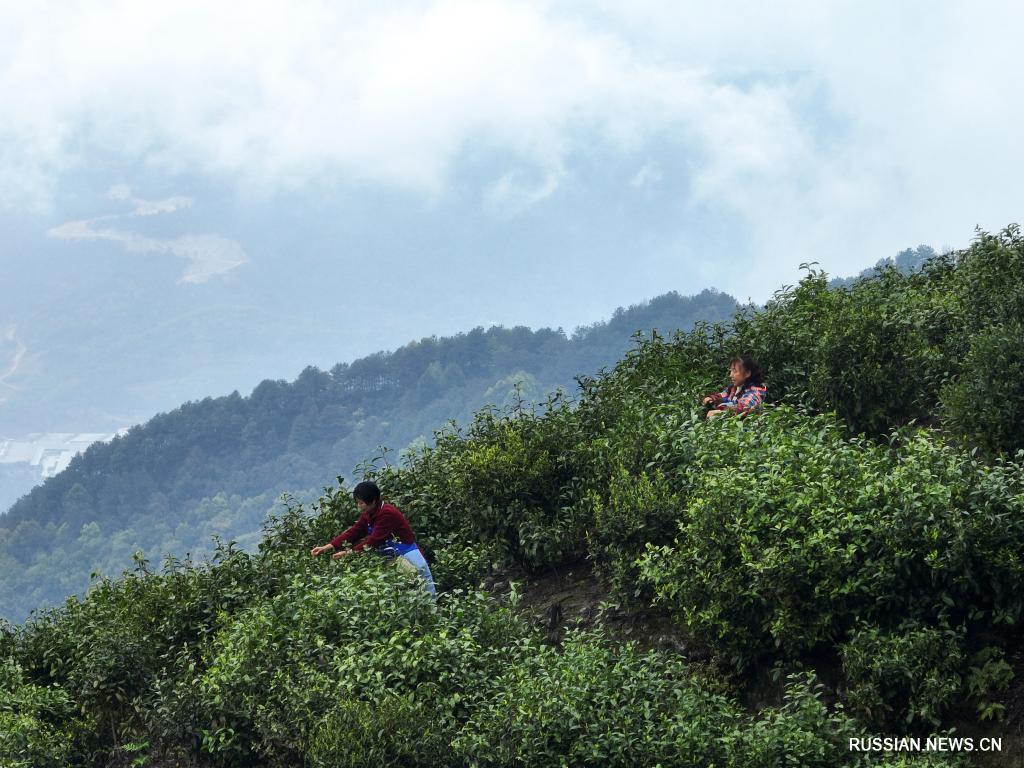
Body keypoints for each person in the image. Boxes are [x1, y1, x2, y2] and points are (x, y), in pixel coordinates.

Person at [311, 481, 437, 596]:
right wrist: (327, 547)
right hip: (393, 558)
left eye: (361, 503)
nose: (359, 506)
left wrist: (348, 553)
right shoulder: (369, 513)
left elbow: (374, 541)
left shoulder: (387, 513)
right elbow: (355, 531)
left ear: (374, 500)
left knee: (424, 592)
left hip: (408, 556)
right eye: (357, 502)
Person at [701, 355, 767, 420]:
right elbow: (721, 395)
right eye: (731, 371)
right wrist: (710, 399)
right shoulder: (734, 388)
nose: (730, 375)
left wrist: (721, 413)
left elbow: (744, 408)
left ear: (747, 373)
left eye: (735, 371)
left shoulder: (755, 392)